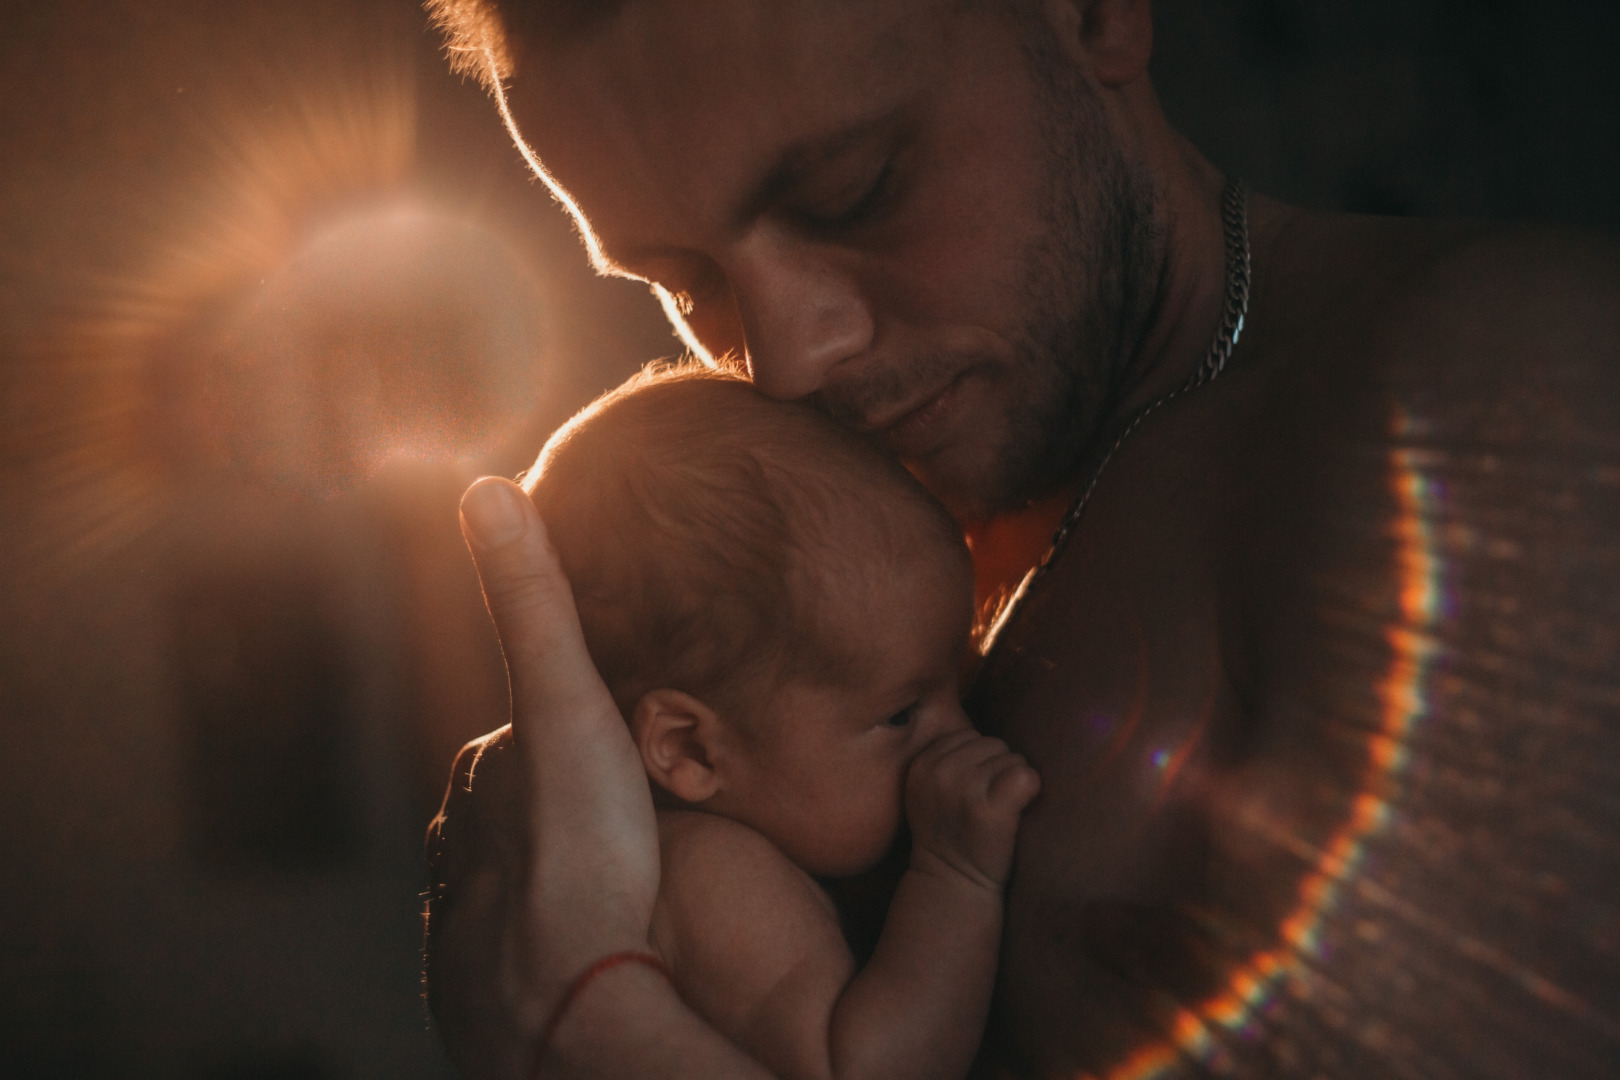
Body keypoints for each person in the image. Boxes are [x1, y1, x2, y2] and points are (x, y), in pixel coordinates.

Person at [423, 1, 1620, 1078]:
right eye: (684, 281)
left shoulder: (1500, 396)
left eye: (853, 191)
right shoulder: (840, 548)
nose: (788, 357)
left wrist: (582, 1018)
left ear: (1093, 15)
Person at [511, 364, 1039, 1080]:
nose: (962, 733)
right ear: (691, 750)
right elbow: (859, 1070)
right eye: (902, 714)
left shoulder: (764, 829)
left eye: (963, 674)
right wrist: (956, 877)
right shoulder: (713, 875)